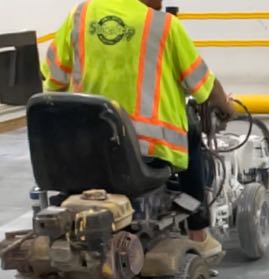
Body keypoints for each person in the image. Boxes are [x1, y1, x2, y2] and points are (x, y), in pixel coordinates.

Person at [40, 0, 235, 258]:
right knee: (192, 132)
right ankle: (197, 232)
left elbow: (53, 80)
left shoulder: (80, 15)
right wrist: (228, 108)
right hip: (146, 154)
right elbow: (203, 86)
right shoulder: (164, 26)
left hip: (84, 155)